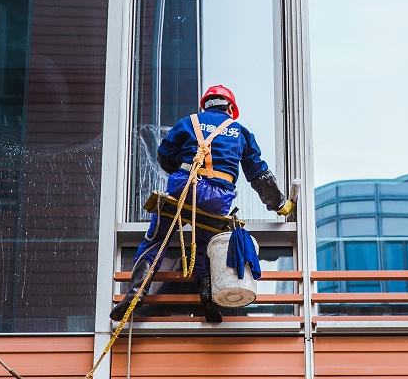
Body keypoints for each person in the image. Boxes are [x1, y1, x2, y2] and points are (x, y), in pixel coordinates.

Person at [110, 85, 293, 323]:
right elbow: (258, 175)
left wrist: (186, 170)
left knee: (156, 238)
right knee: (207, 246)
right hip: (218, 199)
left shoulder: (188, 123)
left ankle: (134, 295)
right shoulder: (241, 132)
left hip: (184, 188)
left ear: (204, 105)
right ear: (230, 108)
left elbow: (164, 155)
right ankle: (207, 295)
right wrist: (280, 205)